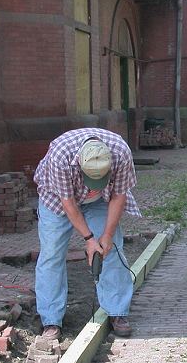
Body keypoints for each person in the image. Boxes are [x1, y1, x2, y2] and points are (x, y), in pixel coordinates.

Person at [33, 128, 140, 340]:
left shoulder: (120, 152)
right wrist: (90, 239)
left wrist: (106, 237)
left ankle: (117, 312)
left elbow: (119, 196)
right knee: (52, 254)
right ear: (80, 165)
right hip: (56, 199)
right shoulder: (60, 156)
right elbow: (68, 203)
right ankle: (51, 320)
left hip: (99, 200)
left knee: (111, 249)